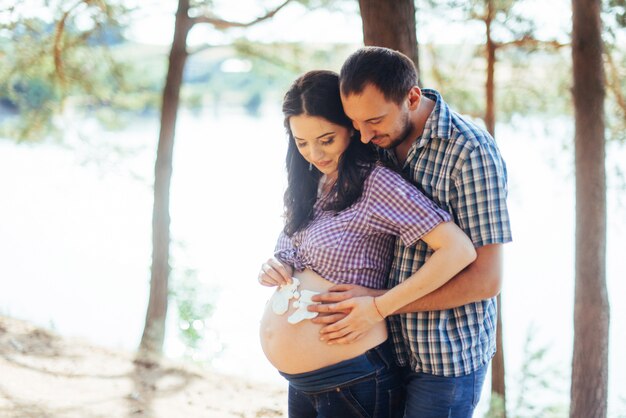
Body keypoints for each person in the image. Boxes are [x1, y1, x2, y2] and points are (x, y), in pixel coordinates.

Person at [258, 70, 478, 418]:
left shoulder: (376, 183)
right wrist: (277, 264)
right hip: (303, 381)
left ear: (350, 127)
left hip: (353, 377)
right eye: (302, 143)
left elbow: (459, 250)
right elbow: (297, 249)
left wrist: (379, 307)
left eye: (326, 139)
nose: (314, 153)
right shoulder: (310, 182)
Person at [308, 47, 513, 418]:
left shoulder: (470, 152)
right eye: (355, 123)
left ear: (412, 97)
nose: (365, 136)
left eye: (374, 121)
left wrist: (381, 304)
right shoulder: (373, 142)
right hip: (381, 349)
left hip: (444, 358)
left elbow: (487, 279)